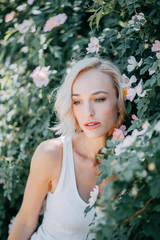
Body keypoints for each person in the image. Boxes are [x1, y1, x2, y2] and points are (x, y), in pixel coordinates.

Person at [8, 57, 126, 240]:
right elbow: (24, 222)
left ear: (119, 100)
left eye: (99, 99)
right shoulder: (52, 154)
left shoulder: (138, 158)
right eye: (77, 101)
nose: (88, 112)